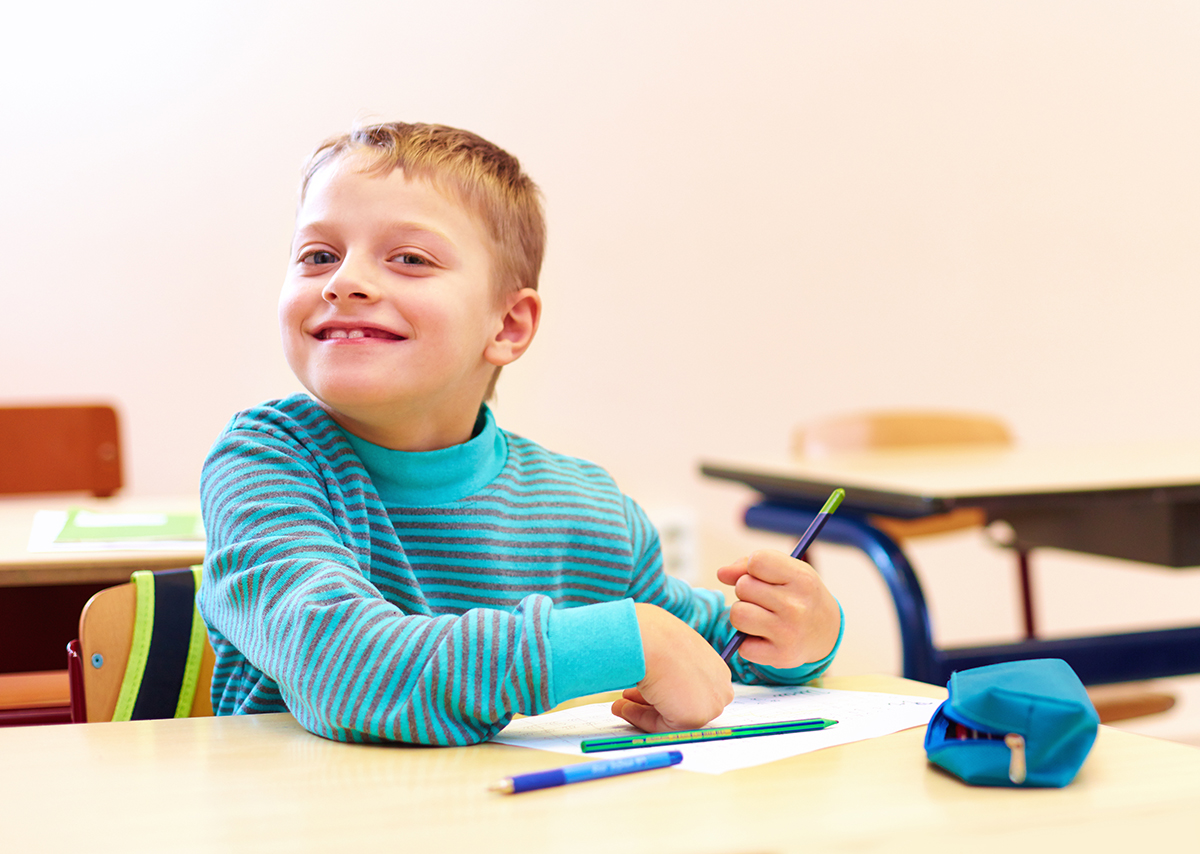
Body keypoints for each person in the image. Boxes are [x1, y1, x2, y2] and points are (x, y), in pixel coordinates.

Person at [198, 121, 844, 745]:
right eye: (318, 255)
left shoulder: (587, 509)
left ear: (507, 326)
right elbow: (343, 670)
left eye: (410, 258)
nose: (344, 282)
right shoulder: (263, 464)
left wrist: (797, 635)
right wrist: (621, 643)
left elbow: (700, 652)